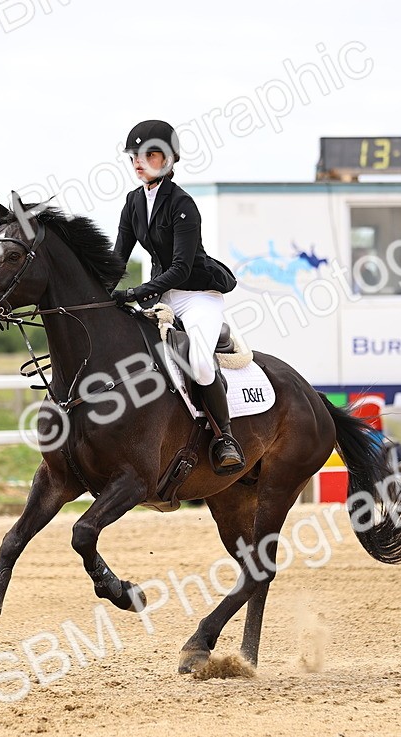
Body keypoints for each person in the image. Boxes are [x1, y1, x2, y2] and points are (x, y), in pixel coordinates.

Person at [110, 119, 244, 473]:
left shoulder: (183, 203)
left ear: (169, 159)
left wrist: (137, 292)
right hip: (160, 295)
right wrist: (102, 290)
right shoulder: (133, 202)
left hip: (196, 295)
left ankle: (224, 437)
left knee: (199, 363)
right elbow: (118, 258)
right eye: (135, 155)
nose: (139, 161)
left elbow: (182, 268)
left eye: (150, 154)